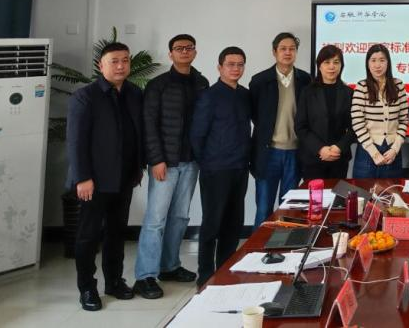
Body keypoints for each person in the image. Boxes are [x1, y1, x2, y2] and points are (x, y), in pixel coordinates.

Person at [66, 42, 144, 312]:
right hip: (94, 180)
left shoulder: (134, 93)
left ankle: (114, 281)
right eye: (114, 61)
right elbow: (76, 141)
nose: (121, 66)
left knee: (116, 233)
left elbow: (137, 134)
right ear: (101, 65)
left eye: (125, 60)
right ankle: (87, 287)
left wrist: (138, 167)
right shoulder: (85, 96)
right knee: (88, 236)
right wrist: (82, 177)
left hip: (124, 177)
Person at [133, 34, 208, 299]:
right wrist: (156, 160)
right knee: (155, 220)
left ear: (195, 52)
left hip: (191, 162)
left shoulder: (201, 83)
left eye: (189, 48)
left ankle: (169, 266)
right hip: (165, 163)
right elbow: (149, 124)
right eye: (179, 48)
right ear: (171, 54)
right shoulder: (158, 85)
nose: (184, 51)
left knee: (180, 217)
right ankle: (145, 275)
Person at [190, 47, 251, 286]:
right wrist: (207, 163)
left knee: (233, 225)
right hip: (216, 169)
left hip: (240, 168)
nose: (236, 69)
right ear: (219, 67)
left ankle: (224, 270)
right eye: (231, 64)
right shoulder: (209, 96)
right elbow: (197, 135)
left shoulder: (245, 95)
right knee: (212, 224)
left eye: (240, 64)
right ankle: (205, 274)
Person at [249, 32, 311, 228]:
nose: (287, 52)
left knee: (289, 209)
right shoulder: (259, 81)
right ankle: (260, 246)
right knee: (264, 208)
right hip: (269, 153)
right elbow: (255, 114)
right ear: (274, 52)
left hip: (295, 152)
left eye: (292, 49)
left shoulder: (305, 80)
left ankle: (285, 246)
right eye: (283, 49)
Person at [295, 45, 355, 179]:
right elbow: (300, 127)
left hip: (339, 158)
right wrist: (320, 148)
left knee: (338, 193)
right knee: (314, 193)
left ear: (341, 66)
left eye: (336, 62)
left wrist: (339, 147)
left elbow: (355, 127)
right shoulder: (307, 92)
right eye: (327, 62)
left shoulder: (349, 93)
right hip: (313, 159)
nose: (332, 67)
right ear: (319, 66)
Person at [351, 43, 409, 179]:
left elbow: (404, 120)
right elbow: (357, 122)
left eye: (382, 60)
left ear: (388, 63)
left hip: (392, 152)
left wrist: (395, 149)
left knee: (392, 191)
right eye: (373, 60)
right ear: (368, 64)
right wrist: (374, 152)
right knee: (363, 191)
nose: (378, 65)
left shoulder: (398, 85)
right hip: (367, 151)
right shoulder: (362, 87)